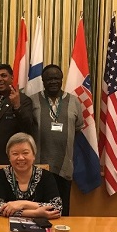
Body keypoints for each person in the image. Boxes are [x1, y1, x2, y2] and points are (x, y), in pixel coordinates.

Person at [30, 64, 83, 215]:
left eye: (56, 78)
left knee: (62, 210)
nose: (53, 82)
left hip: (64, 166)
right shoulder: (33, 101)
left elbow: (78, 128)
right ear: (43, 81)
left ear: (61, 79)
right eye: (49, 79)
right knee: (39, 209)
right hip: (39, 166)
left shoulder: (74, 101)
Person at [0, 132, 62, 218]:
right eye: (15, 154)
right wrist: (35, 213)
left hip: (41, 225)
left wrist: (23, 204)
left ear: (34, 155)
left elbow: (57, 208)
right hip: (5, 224)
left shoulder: (46, 176)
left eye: (25, 153)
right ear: (9, 157)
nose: (20, 158)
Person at [0, 64, 35, 165]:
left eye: (4, 75)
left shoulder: (23, 100)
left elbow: (27, 127)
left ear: (11, 78)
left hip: (7, 156)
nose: (0, 79)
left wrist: (17, 106)